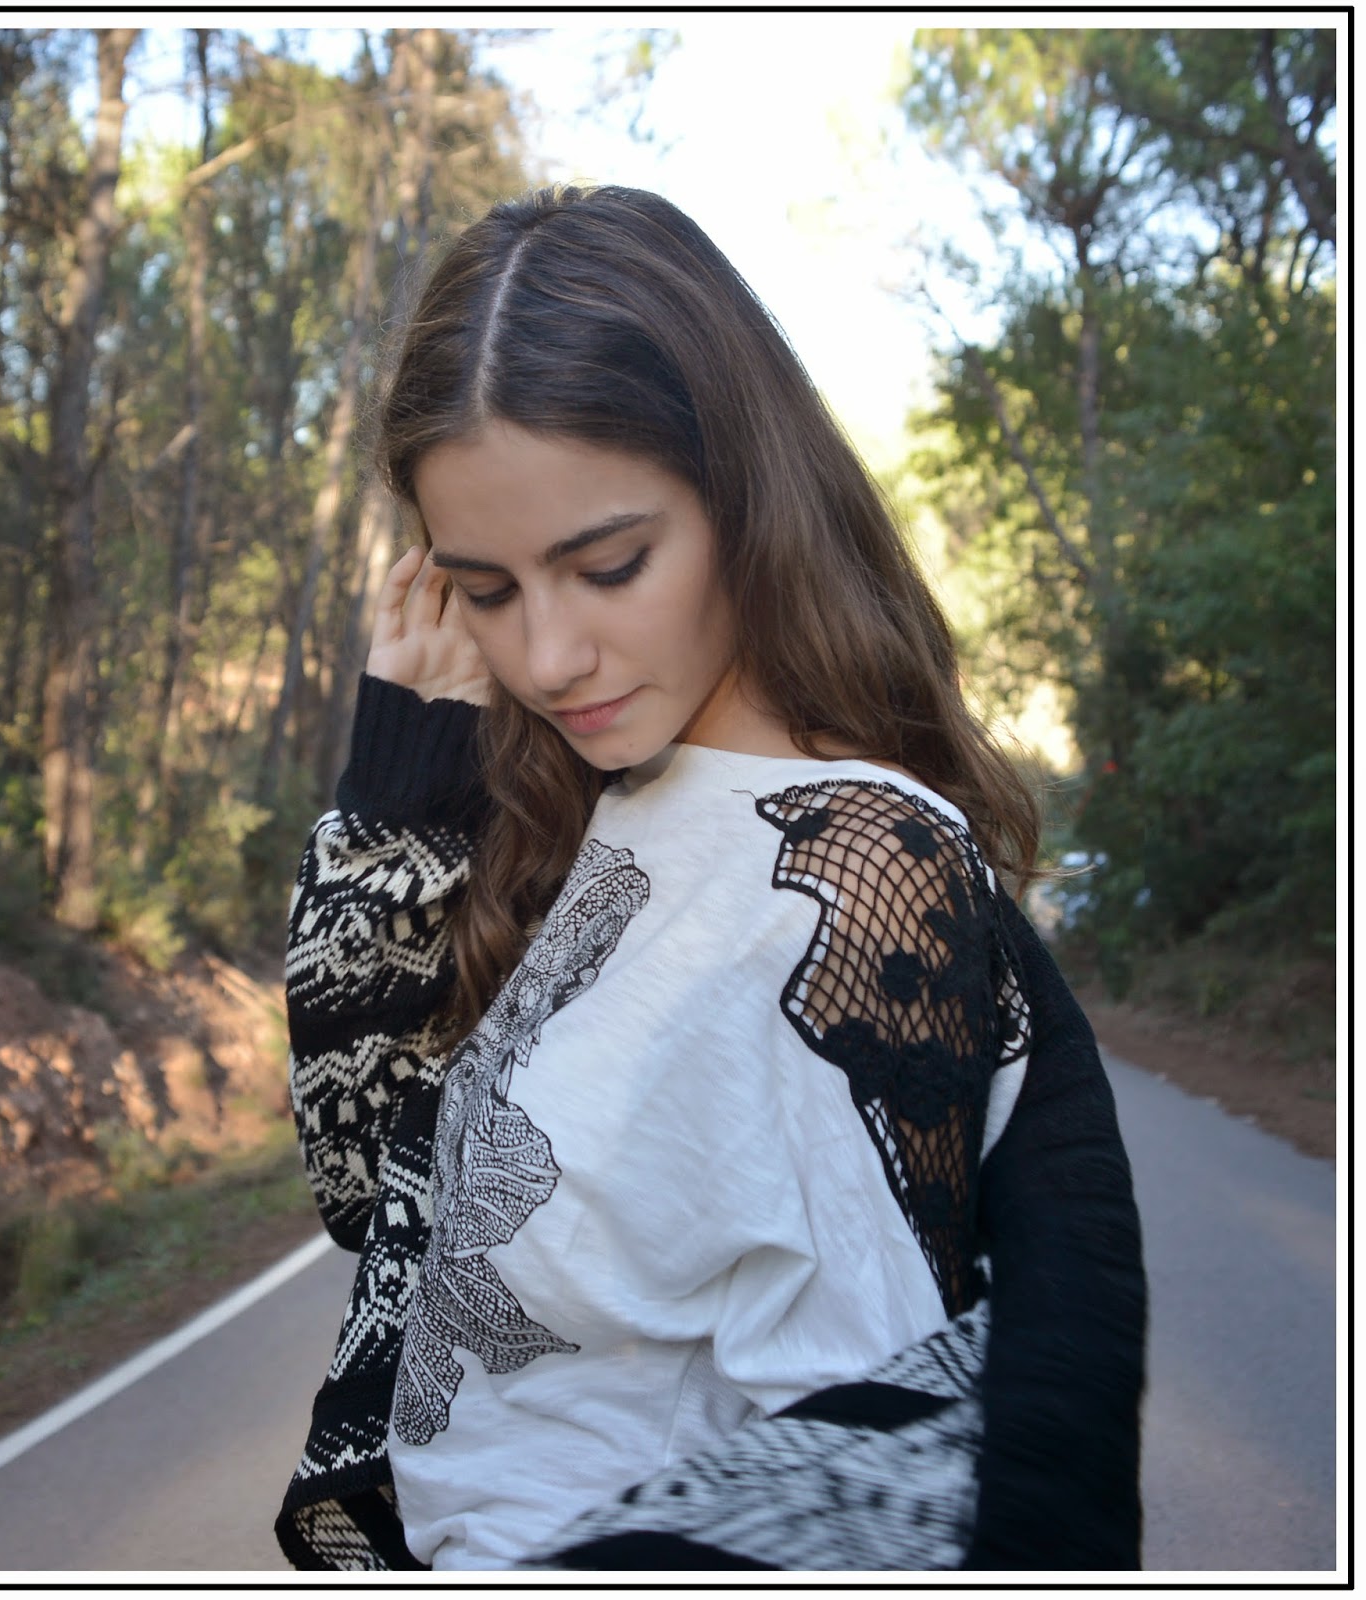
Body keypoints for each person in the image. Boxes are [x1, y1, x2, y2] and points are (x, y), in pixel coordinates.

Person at [274, 185, 1146, 1572]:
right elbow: (369, 1190)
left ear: (748, 500)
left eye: (609, 565)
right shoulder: (610, 807)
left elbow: (850, 1499)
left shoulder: (850, 869)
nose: (547, 657)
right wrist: (404, 789)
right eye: (486, 589)